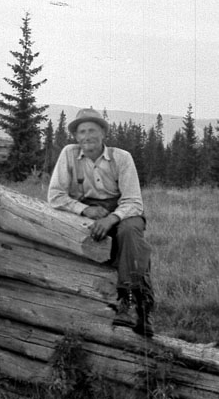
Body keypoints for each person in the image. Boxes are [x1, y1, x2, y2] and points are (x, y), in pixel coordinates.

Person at [47, 107, 154, 337]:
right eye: (82, 131)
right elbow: (55, 196)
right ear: (76, 136)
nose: (87, 136)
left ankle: (134, 304)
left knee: (130, 233)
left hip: (122, 212)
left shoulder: (121, 158)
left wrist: (111, 219)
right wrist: (85, 209)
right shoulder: (69, 154)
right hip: (87, 212)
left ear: (103, 133)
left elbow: (134, 202)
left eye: (92, 130)